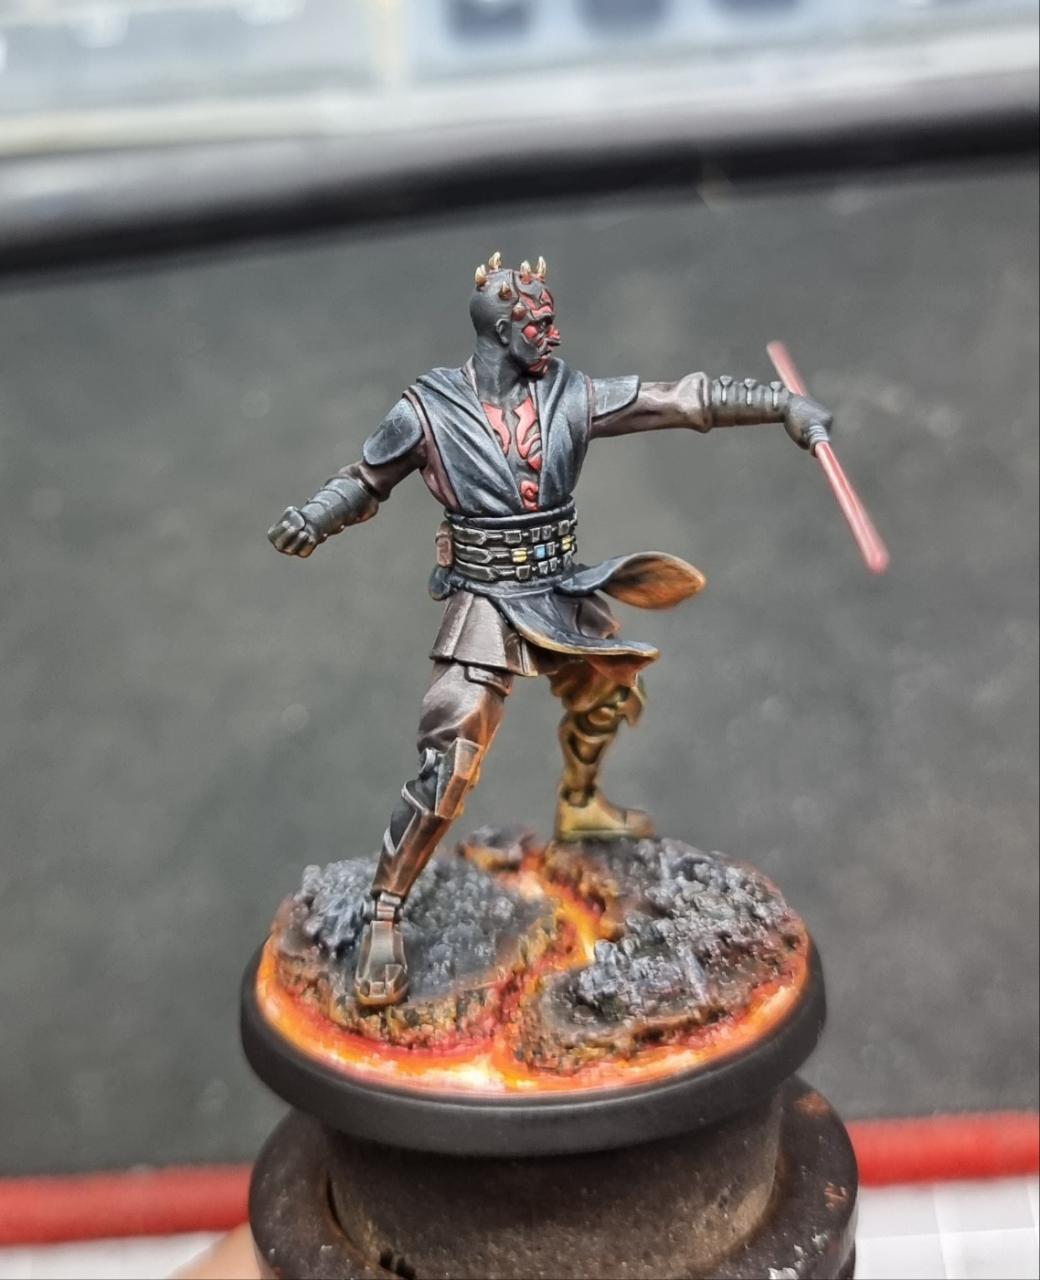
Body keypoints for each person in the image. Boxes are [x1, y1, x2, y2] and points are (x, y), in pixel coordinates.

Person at [268, 253, 833, 1008]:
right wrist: (316, 517)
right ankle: (384, 912)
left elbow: (677, 400)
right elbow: (365, 480)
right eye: (538, 324)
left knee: (609, 691)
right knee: (449, 760)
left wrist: (779, 404)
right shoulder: (429, 411)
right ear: (502, 332)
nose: (552, 335)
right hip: (486, 601)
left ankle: (581, 802)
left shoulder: (571, 394)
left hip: (562, 590)